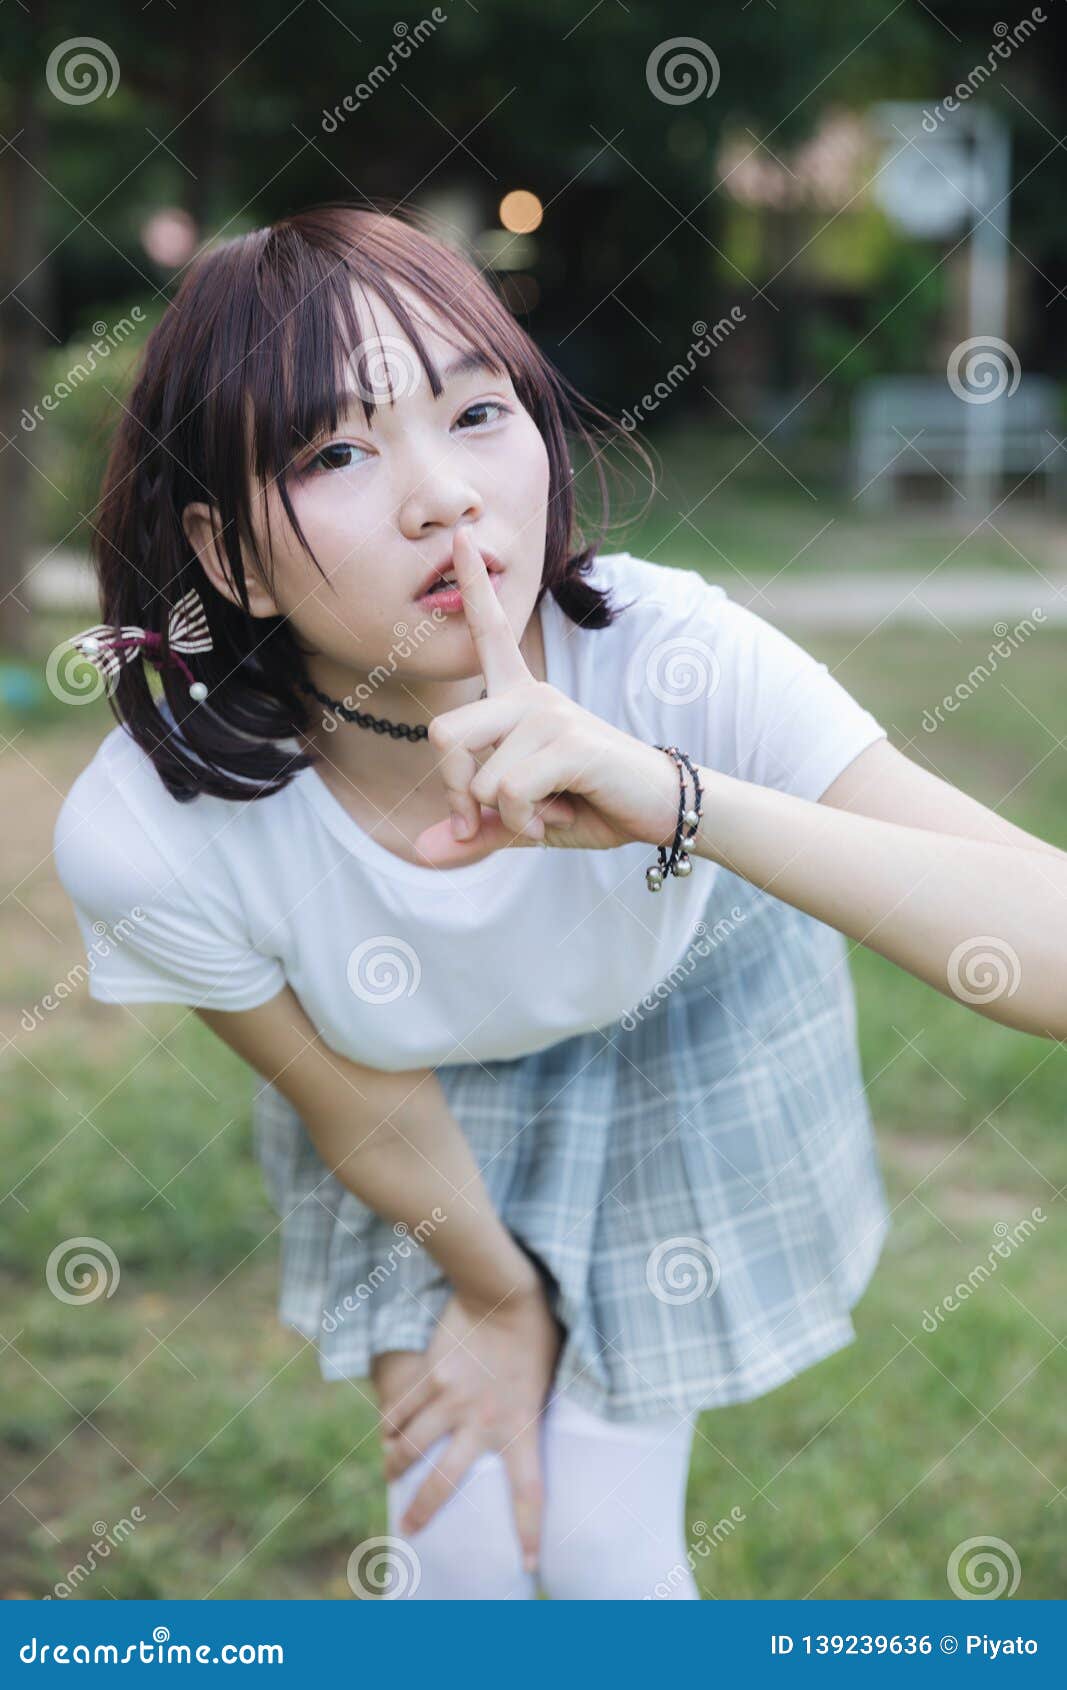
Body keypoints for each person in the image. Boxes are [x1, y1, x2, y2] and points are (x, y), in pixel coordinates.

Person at [52, 201, 1067, 1600]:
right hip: (409, 1093)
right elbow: (362, 1105)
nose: (445, 496)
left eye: (477, 415)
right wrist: (494, 1293)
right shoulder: (152, 829)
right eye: (338, 450)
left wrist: (676, 796)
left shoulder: (677, 662)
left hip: (676, 1028)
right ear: (225, 556)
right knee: (465, 1550)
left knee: (602, 1551)